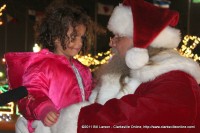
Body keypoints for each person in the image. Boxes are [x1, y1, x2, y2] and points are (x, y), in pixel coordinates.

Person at [48, 0, 200, 133]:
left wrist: (73, 122)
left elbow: (130, 122)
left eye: (119, 36)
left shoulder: (176, 81)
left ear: (141, 42)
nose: (111, 43)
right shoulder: (131, 75)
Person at [4, 3, 94, 133]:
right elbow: (30, 93)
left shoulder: (83, 70)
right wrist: (44, 109)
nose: (79, 43)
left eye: (82, 37)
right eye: (74, 37)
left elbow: (90, 96)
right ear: (56, 38)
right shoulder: (42, 66)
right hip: (47, 128)